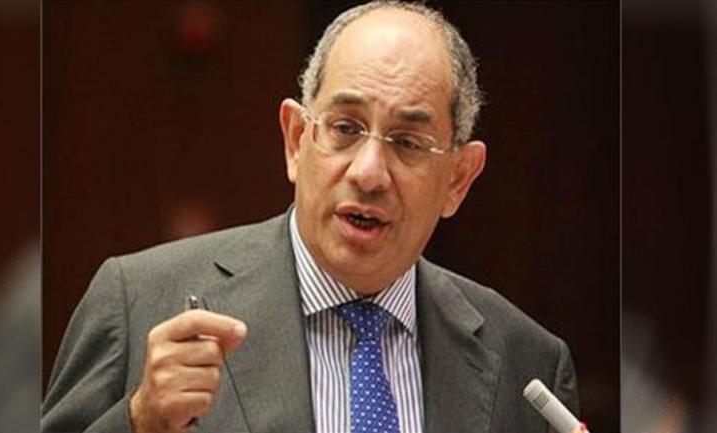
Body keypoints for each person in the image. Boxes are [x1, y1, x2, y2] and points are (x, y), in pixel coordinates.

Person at [42, 2, 579, 432]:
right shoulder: (138, 301)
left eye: (407, 142)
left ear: (459, 178)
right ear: (297, 139)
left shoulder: (526, 362)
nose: (369, 173)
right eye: (345, 128)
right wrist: (139, 422)